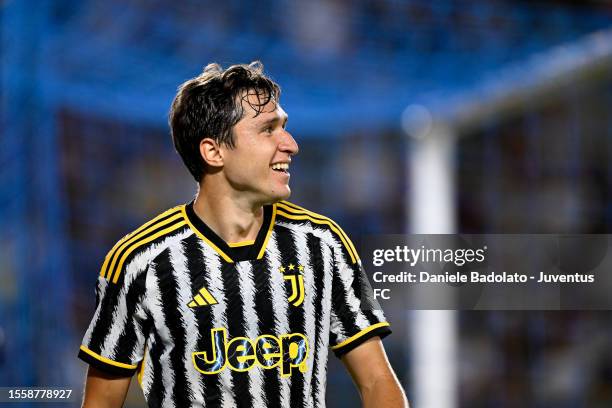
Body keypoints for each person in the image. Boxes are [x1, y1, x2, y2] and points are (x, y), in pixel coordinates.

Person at [78, 61, 408, 408]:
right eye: (268, 130)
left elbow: (377, 382)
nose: (291, 144)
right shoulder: (141, 262)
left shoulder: (322, 244)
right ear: (214, 151)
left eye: (284, 127)